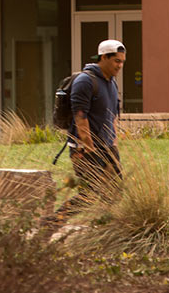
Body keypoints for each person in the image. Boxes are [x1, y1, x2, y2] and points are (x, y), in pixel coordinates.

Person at [44, 39, 124, 230]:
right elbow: (81, 117)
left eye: (122, 62)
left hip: (107, 147)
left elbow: (112, 116)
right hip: (84, 148)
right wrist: (89, 147)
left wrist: (114, 145)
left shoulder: (111, 83)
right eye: (116, 61)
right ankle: (52, 223)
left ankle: (106, 228)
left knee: (115, 190)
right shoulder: (85, 81)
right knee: (90, 193)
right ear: (104, 57)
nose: (120, 66)